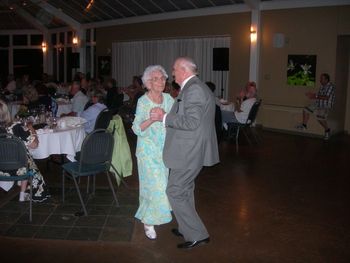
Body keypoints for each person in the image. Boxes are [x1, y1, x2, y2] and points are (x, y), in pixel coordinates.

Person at [150, 57, 219, 249]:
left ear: (184, 70)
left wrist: (163, 118)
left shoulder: (194, 89)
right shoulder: (195, 87)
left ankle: (197, 234)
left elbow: (191, 122)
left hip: (189, 150)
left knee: (175, 191)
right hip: (191, 149)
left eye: (174, 69)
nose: (172, 73)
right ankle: (185, 227)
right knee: (185, 190)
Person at [132, 65, 174, 240]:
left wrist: (164, 115)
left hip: (164, 150)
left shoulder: (169, 99)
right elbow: (136, 128)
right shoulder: (143, 101)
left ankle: (149, 215)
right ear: (148, 83)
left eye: (163, 78)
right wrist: (151, 119)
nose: (161, 81)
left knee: (156, 187)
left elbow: (174, 121)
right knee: (157, 187)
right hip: (147, 151)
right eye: (156, 79)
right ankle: (148, 221)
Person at [0, 100, 50, 202]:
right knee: (26, 157)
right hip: (19, 168)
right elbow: (34, 145)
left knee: (21, 155)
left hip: (1, 168)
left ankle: (19, 189)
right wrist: (32, 130)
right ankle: (23, 194)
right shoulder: (15, 128)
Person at [296, 73, 335, 140]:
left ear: (326, 80)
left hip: (325, 105)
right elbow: (319, 96)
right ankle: (304, 125)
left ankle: (327, 130)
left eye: (322, 79)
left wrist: (315, 96)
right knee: (305, 109)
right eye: (320, 79)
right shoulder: (322, 86)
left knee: (320, 119)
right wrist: (312, 95)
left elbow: (326, 97)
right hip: (318, 104)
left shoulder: (330, 86)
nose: (320, 80)